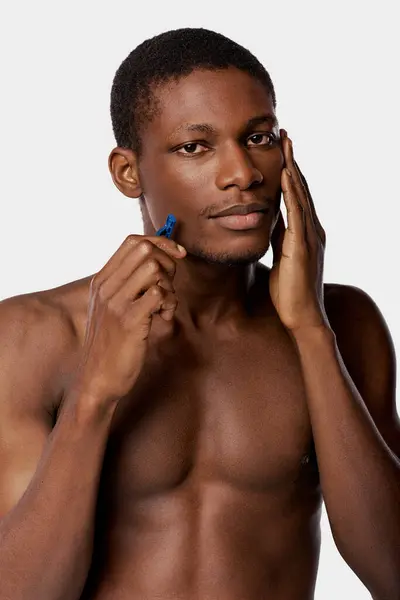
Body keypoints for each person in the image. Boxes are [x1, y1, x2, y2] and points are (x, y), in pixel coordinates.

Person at [0, 27, 399, 600]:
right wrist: (94, 393)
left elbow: (391, 574)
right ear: (127, 173)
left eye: (258, 137)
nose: (242, 173)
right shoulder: (29, 338)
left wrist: (312, 332)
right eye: (195, 146)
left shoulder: (345, 323)